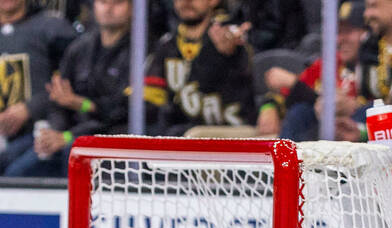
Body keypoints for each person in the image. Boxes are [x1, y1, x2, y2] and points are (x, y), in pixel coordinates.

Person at [3, 0, 132, 177]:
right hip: (69, 134)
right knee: (8, 157)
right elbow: (57, 100)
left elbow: (127, 111)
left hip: (108, 138)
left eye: (117, 3)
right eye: (103, 2)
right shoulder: (79, 48)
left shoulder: (140, 50)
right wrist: (54, 132)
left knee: (70, 154)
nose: (109, 8)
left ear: (132, 8)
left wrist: (84, 108)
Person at [0, 0, 77, 175]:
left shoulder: (53, 28)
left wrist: (30, 108)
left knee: (14, 173)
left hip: (44, 132)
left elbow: (71, 87)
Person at [144, 0, 257, 135]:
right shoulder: (166, 45)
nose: (186, 2)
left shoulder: (234, 36)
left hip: (236, 132)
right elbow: (149, 105)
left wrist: (224, 55)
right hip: (185, 131)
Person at [257, 1, 365, 141]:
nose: (340, 40)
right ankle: (288, 162)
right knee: (300, 112)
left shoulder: (379, 62)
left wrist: (355, 105)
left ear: (367, 33)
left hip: (364, 144)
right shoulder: (330, 63)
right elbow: (284, 96)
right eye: (338, 32)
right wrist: (268, 108)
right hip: (321, 143)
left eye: (348, 31)